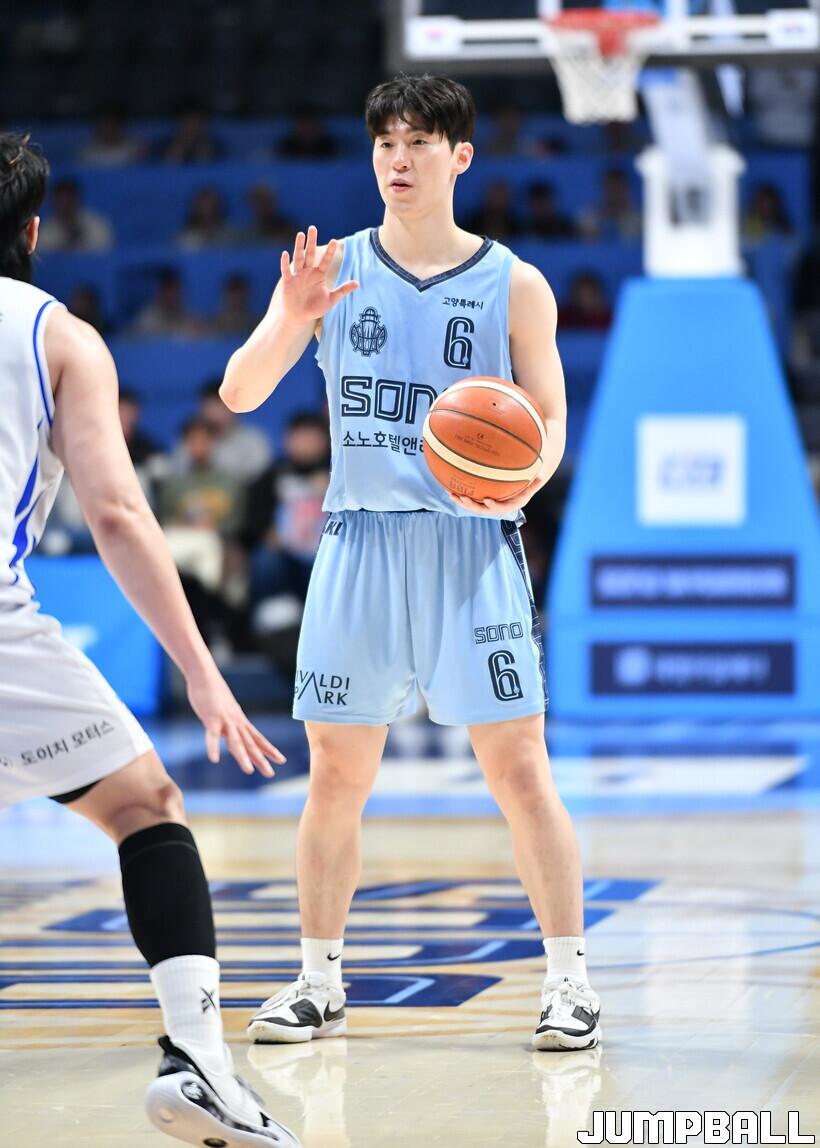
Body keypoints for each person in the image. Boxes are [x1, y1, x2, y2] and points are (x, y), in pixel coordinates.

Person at [221, 75, 601, 1053]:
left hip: (470, 545)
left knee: (520, 770)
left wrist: (521, 478)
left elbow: (551, 419)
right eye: (385, 142)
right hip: (359, 540)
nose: (398, 158)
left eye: (419, 142)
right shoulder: (333, 269)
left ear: (460, 157)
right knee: (334, 776)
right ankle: (318, 981)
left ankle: (569, 981)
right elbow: (239, 392)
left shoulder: (515, 283)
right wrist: (289, 314)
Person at [0, 133, 299, 1148]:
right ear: (33, 231)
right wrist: (202, 674)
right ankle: (200, 1064)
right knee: (144, 806)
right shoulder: (59, 336)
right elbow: (120, 516)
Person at [36, 176, 114, 252]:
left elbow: (106, 250)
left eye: (68, 203)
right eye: (60, 203)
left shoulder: (96, 225)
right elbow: (43, 253)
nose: (65, 207)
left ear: (76, 201)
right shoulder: (46, 231)